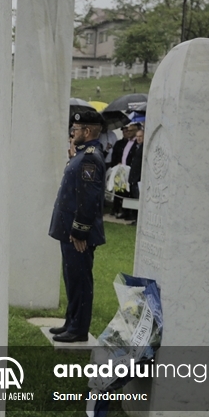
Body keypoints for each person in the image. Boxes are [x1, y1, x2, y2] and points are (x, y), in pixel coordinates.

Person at [48, 109, 107, 343]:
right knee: (72, 278)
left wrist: (79, 231)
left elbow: (89, 198)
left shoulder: (91, 157)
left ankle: (79, 329)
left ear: (88, 131)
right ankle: (71, 322)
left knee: (80, 281)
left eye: (75, 130)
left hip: (78, 234)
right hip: (69, 231)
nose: (72, 133)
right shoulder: (82, 154)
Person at [107, 122, 139, 218]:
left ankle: (131, 213)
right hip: (122, 170)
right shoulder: (126, 142)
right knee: (121, 190)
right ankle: (122, 210)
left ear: (136, 131)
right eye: (127, 131)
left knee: (130, 192)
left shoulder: (136, 143)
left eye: (130, 130)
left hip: (131, 171)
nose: (128, 132)